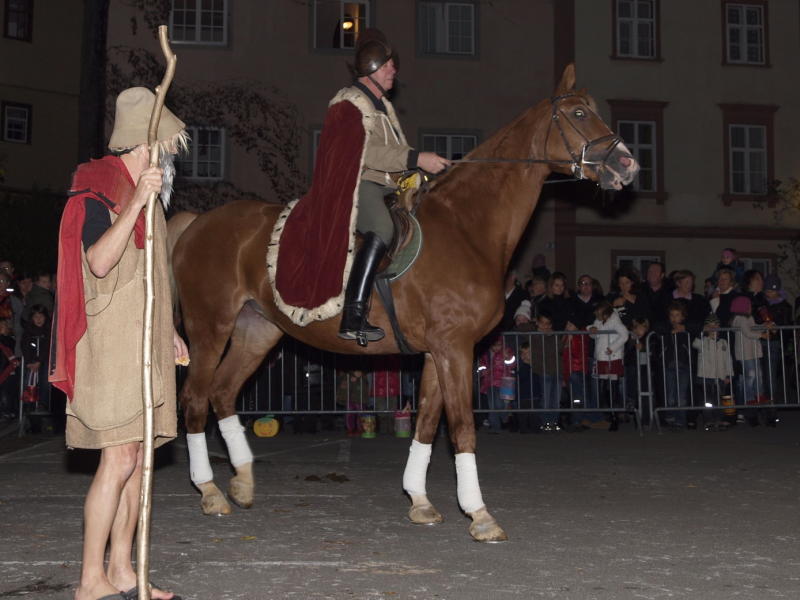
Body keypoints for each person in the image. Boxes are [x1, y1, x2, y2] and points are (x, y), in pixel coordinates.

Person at [49, 87, 189, 600]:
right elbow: (100, 261)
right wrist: (137, 202)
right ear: (144, 143)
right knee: (118, 459)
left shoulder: (145, 197)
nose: (171, 157)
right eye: (167, 147)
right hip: (108, 346)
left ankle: (124, 570)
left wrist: (169, 329)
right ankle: (91, 579)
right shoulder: (97, 190)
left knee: (139, 460)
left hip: (144, 342)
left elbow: (150, 275)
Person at [331, 28, 450, 343]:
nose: (394, 70)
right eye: (387, 65)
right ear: (370, 67)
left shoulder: (383, 106)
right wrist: (416, 157)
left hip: (387, 184)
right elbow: (363, 152)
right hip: (361, 183)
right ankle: (353, 315)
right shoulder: (350, 102)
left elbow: (397, 153)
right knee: (382, 228)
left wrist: (420, 171)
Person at [589, 300, 628, 431]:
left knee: (612, 388)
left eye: (598, 313)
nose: (596, 315)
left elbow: (624, 335)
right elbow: (593, 335)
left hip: (613, 358)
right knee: (604, 388)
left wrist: (612, 347)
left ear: (605, 313)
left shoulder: (615, 321)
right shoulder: (598, 321)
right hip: (602, 358)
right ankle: (610, 414)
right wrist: (591, 330)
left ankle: (614, 416)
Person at [693, 314, 733, 430]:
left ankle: (719, 419)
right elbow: (695, 344)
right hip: (705, 376)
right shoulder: (703, 341)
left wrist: (729, 374)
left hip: (720, 376)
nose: (712, 328)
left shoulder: (723, 342)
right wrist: (702, 333)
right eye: (709, 326)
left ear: (719, 327)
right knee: (707, 401)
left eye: (715, 325)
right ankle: (708, 420)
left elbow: (728, 359)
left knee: (719, 399)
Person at [659, 302, 692, 429]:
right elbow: (657, 328)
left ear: (682, 317)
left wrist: (683, 328)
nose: (674, 318)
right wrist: (669, 330)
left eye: (677, 315)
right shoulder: (665, 329)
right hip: (669, 365)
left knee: (681, 395)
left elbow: (697, 327)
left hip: (684, 365)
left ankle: (680, 420)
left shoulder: (687, 329)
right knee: (670, 395)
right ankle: (670, 416)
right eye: (672, 315)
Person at [528, 311, 562, 431]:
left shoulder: (555, 335)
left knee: (556, 399)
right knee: (546, 398)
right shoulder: (534, 336)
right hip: (544, 370)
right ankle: (545, 421)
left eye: (547, 324)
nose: (545, 326)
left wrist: (551, 336)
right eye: (542, 323)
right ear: (537, 323)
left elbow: (559, 348)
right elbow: (541, 352)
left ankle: (554, 422)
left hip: (557, 369)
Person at [21, 304, 50, 413]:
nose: (38, 319)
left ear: (45, 317)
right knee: (29, 380)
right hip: (31, 361)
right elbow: (25, 346)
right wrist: (29, 361)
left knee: (45, 381)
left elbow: (47, 346)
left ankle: (43, 403)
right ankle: (29, 403)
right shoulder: (28, 331)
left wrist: (39, 361)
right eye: (36, 316)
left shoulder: (48, 330)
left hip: (44, 360)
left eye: (41, 316)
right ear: (32, 318)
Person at [669, 270, 710, 337]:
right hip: (672, 339)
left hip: (694, 339)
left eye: (691, 282)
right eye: (687, 282)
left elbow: (705, 321)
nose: (690, 285)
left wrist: (686, 327)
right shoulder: (667, 299)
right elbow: (661, 321)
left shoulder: (700, 300)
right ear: (678, 283)